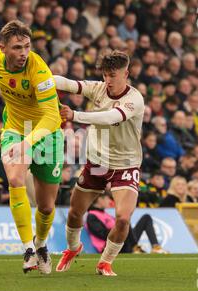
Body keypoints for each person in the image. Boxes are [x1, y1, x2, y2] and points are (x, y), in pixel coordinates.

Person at [54, 50, 145, 276]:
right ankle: (73, 248)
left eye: (112, 75)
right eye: (105, 75)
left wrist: (75, 116)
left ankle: (105, 261)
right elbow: (68, 83)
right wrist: (40, 78)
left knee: (123, 218)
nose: (108, 81)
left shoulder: (134, 99)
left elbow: (111, 117)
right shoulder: (98, 88)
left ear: (126, 73)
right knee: (75, 213)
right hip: (97, 162)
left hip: (125, 164)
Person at [0, 20, 64, 274]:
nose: (23, 53)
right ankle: (28, 249)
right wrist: (20, 139)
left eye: (27, 47)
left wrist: (28, 142)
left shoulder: (39, 71)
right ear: (2, 49)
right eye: (17, 47)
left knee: (46, 206)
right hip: (15, 128)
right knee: (15, 179)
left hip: (46, 133)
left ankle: (41, 244)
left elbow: (53, 117)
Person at [85, 193, 167, 255]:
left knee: (146, 218)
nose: (110, 201)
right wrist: (119, 230)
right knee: (124, 221)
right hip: (109, 247)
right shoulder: (92, 215)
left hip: (123, 241)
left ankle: (155, 247)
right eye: (107, 198)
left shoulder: (105, 214)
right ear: (99, 199)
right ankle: (135, 248)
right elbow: (102, 234)